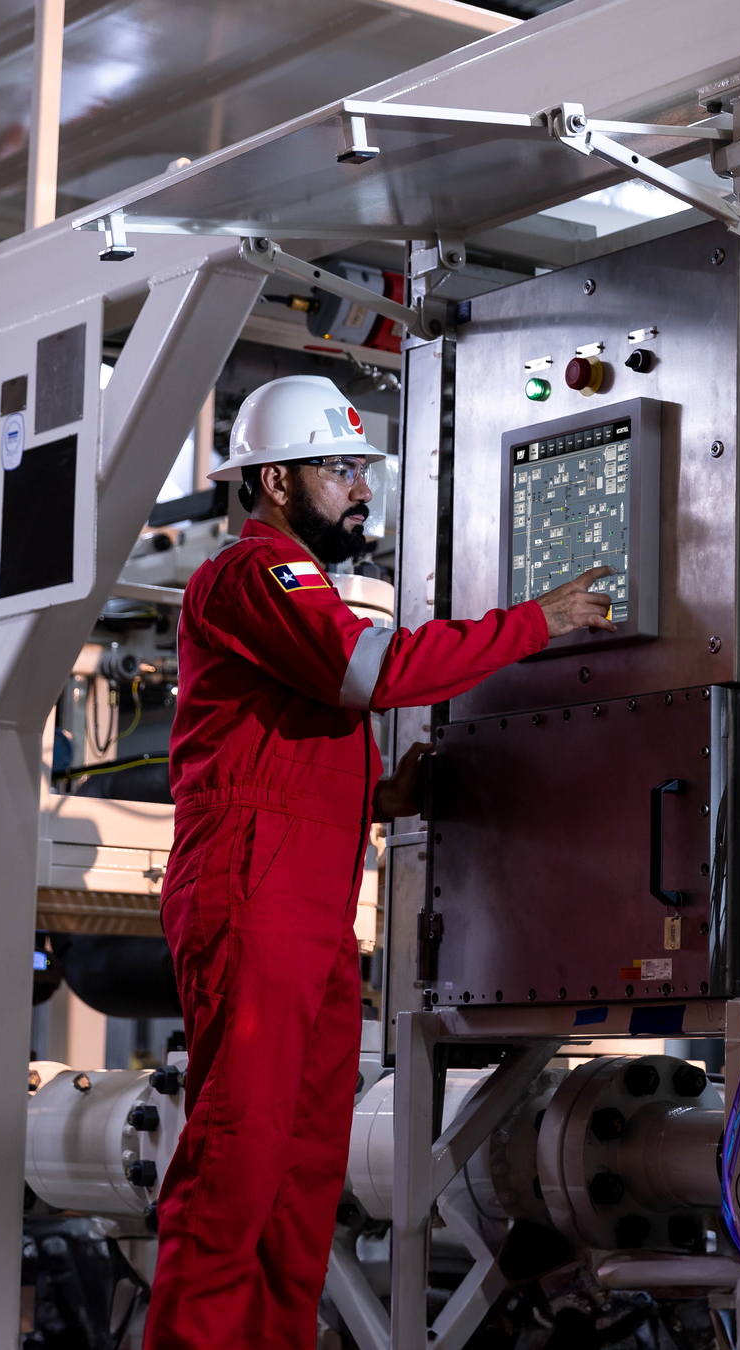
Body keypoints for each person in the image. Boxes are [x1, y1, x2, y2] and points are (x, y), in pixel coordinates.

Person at [144, 375, 611, 1347]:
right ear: (274, 480)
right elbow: (371, 673)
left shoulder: (293, 587)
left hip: (312, 899)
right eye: (340, 468)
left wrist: (380, 798)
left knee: (304, 1184)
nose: (362, 489)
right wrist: (538, 622)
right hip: (254, 889)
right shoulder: (253, 575)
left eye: (365, 469)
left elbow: (282, 739)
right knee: (236, 1168)